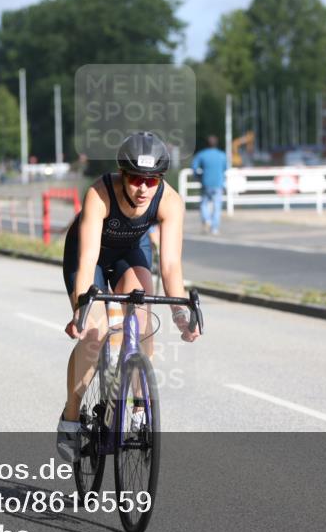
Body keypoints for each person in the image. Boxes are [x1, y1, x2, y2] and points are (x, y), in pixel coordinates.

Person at [57, 132, 200, 460]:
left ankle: (136, 405)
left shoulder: (170, 201)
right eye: (136, 178)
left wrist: (181, 316)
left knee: (142, 314)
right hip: (91, 253)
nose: (143, 188)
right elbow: (88, 257)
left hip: (131, 252)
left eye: (151, 181)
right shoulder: (99, 193)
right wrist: (81, 308)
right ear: (123, 175)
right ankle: (71, 415)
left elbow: (171, 265)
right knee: (95, 334)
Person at [191, 135, 228, 235]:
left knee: (204, 204)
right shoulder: (222, 155)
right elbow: (225, 168)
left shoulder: (202, 155)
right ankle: (214, 228)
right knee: (217, 206)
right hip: (218, 183)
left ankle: (206, 220)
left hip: (206, 183)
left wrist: (197, 177)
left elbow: (194, 167)